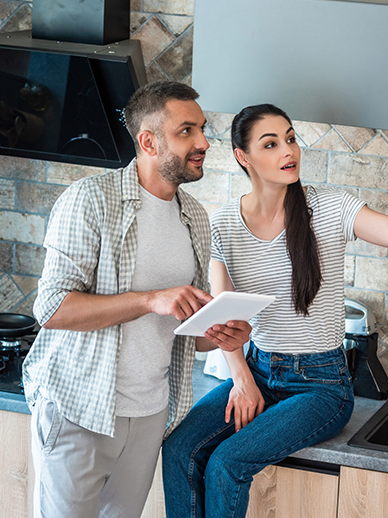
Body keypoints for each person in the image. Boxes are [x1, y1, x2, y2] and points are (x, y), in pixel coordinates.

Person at [162, 103, 388, 518]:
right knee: (179, 449)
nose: (288, 150)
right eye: (271, 143)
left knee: (227, 464)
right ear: (244, 157)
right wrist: (242, 381)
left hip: (322, 386)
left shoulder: (329, 209)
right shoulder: (223, 225)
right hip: (258, 370)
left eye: (291, 139)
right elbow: (225, 324)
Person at [22, 81, 251, 518]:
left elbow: (186, 327)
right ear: (148, 141)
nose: (203, 142)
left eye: (202, 129)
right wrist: (149, 300)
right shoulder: (90, 200)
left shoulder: (195, 218)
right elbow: (51, 308)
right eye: (187, 131)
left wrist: (222, 333)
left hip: (149, 414)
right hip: (79, 409)